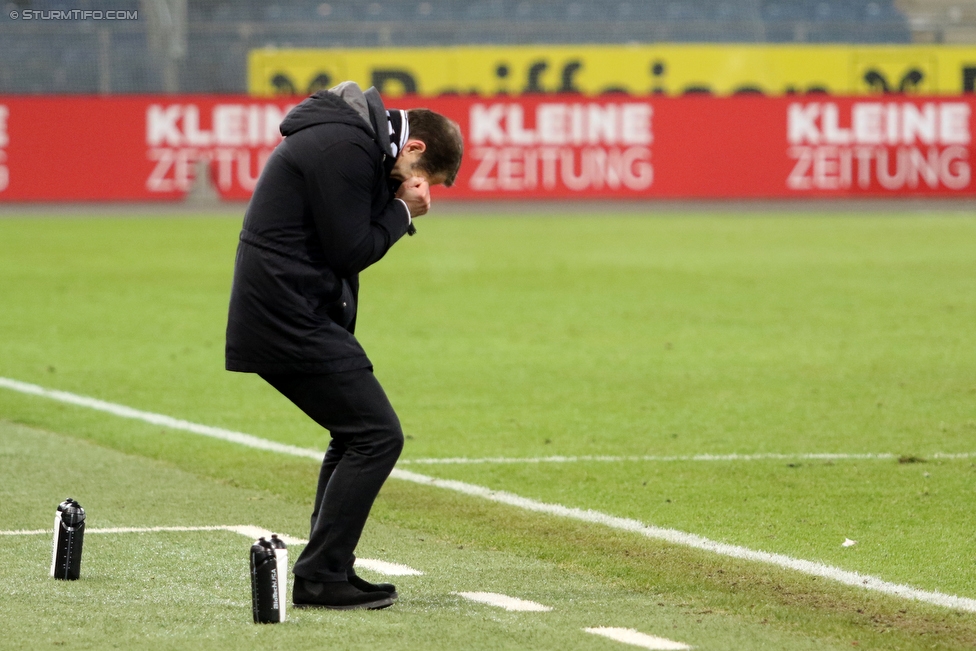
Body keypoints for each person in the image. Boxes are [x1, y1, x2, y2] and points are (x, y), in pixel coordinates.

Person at [225, 81, 463, 610]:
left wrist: (395, 198)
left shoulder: (358, 142)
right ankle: (320, 575)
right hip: (286, 314)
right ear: (415, 148)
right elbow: (349, 247)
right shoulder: (346, 144)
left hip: (293, 308)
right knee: (377, 435)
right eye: (426, 180)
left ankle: (328, 569)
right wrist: (401, 212)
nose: (423, 190)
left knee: (356, 431)